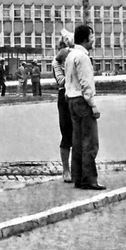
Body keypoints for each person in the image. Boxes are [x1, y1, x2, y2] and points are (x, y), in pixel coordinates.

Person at [65, 25, 105, 190]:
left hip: (72, 100)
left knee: (77, 140)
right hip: (83, 101)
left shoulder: (70, 55)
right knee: (90, 141)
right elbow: (86, 84)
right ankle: (89, 178)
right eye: (92, 36)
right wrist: (93, 105)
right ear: (86, 38)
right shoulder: (83, 57)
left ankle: (78, 177)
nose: (94, 40)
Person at [51, 30, 74, 183]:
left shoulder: (74, 58)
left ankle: (77, 167)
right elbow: (61, 82)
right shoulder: (56, 62)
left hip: (77, 95)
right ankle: (66, 169)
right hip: (64, 96)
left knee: (79, 134)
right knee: (66, 134)